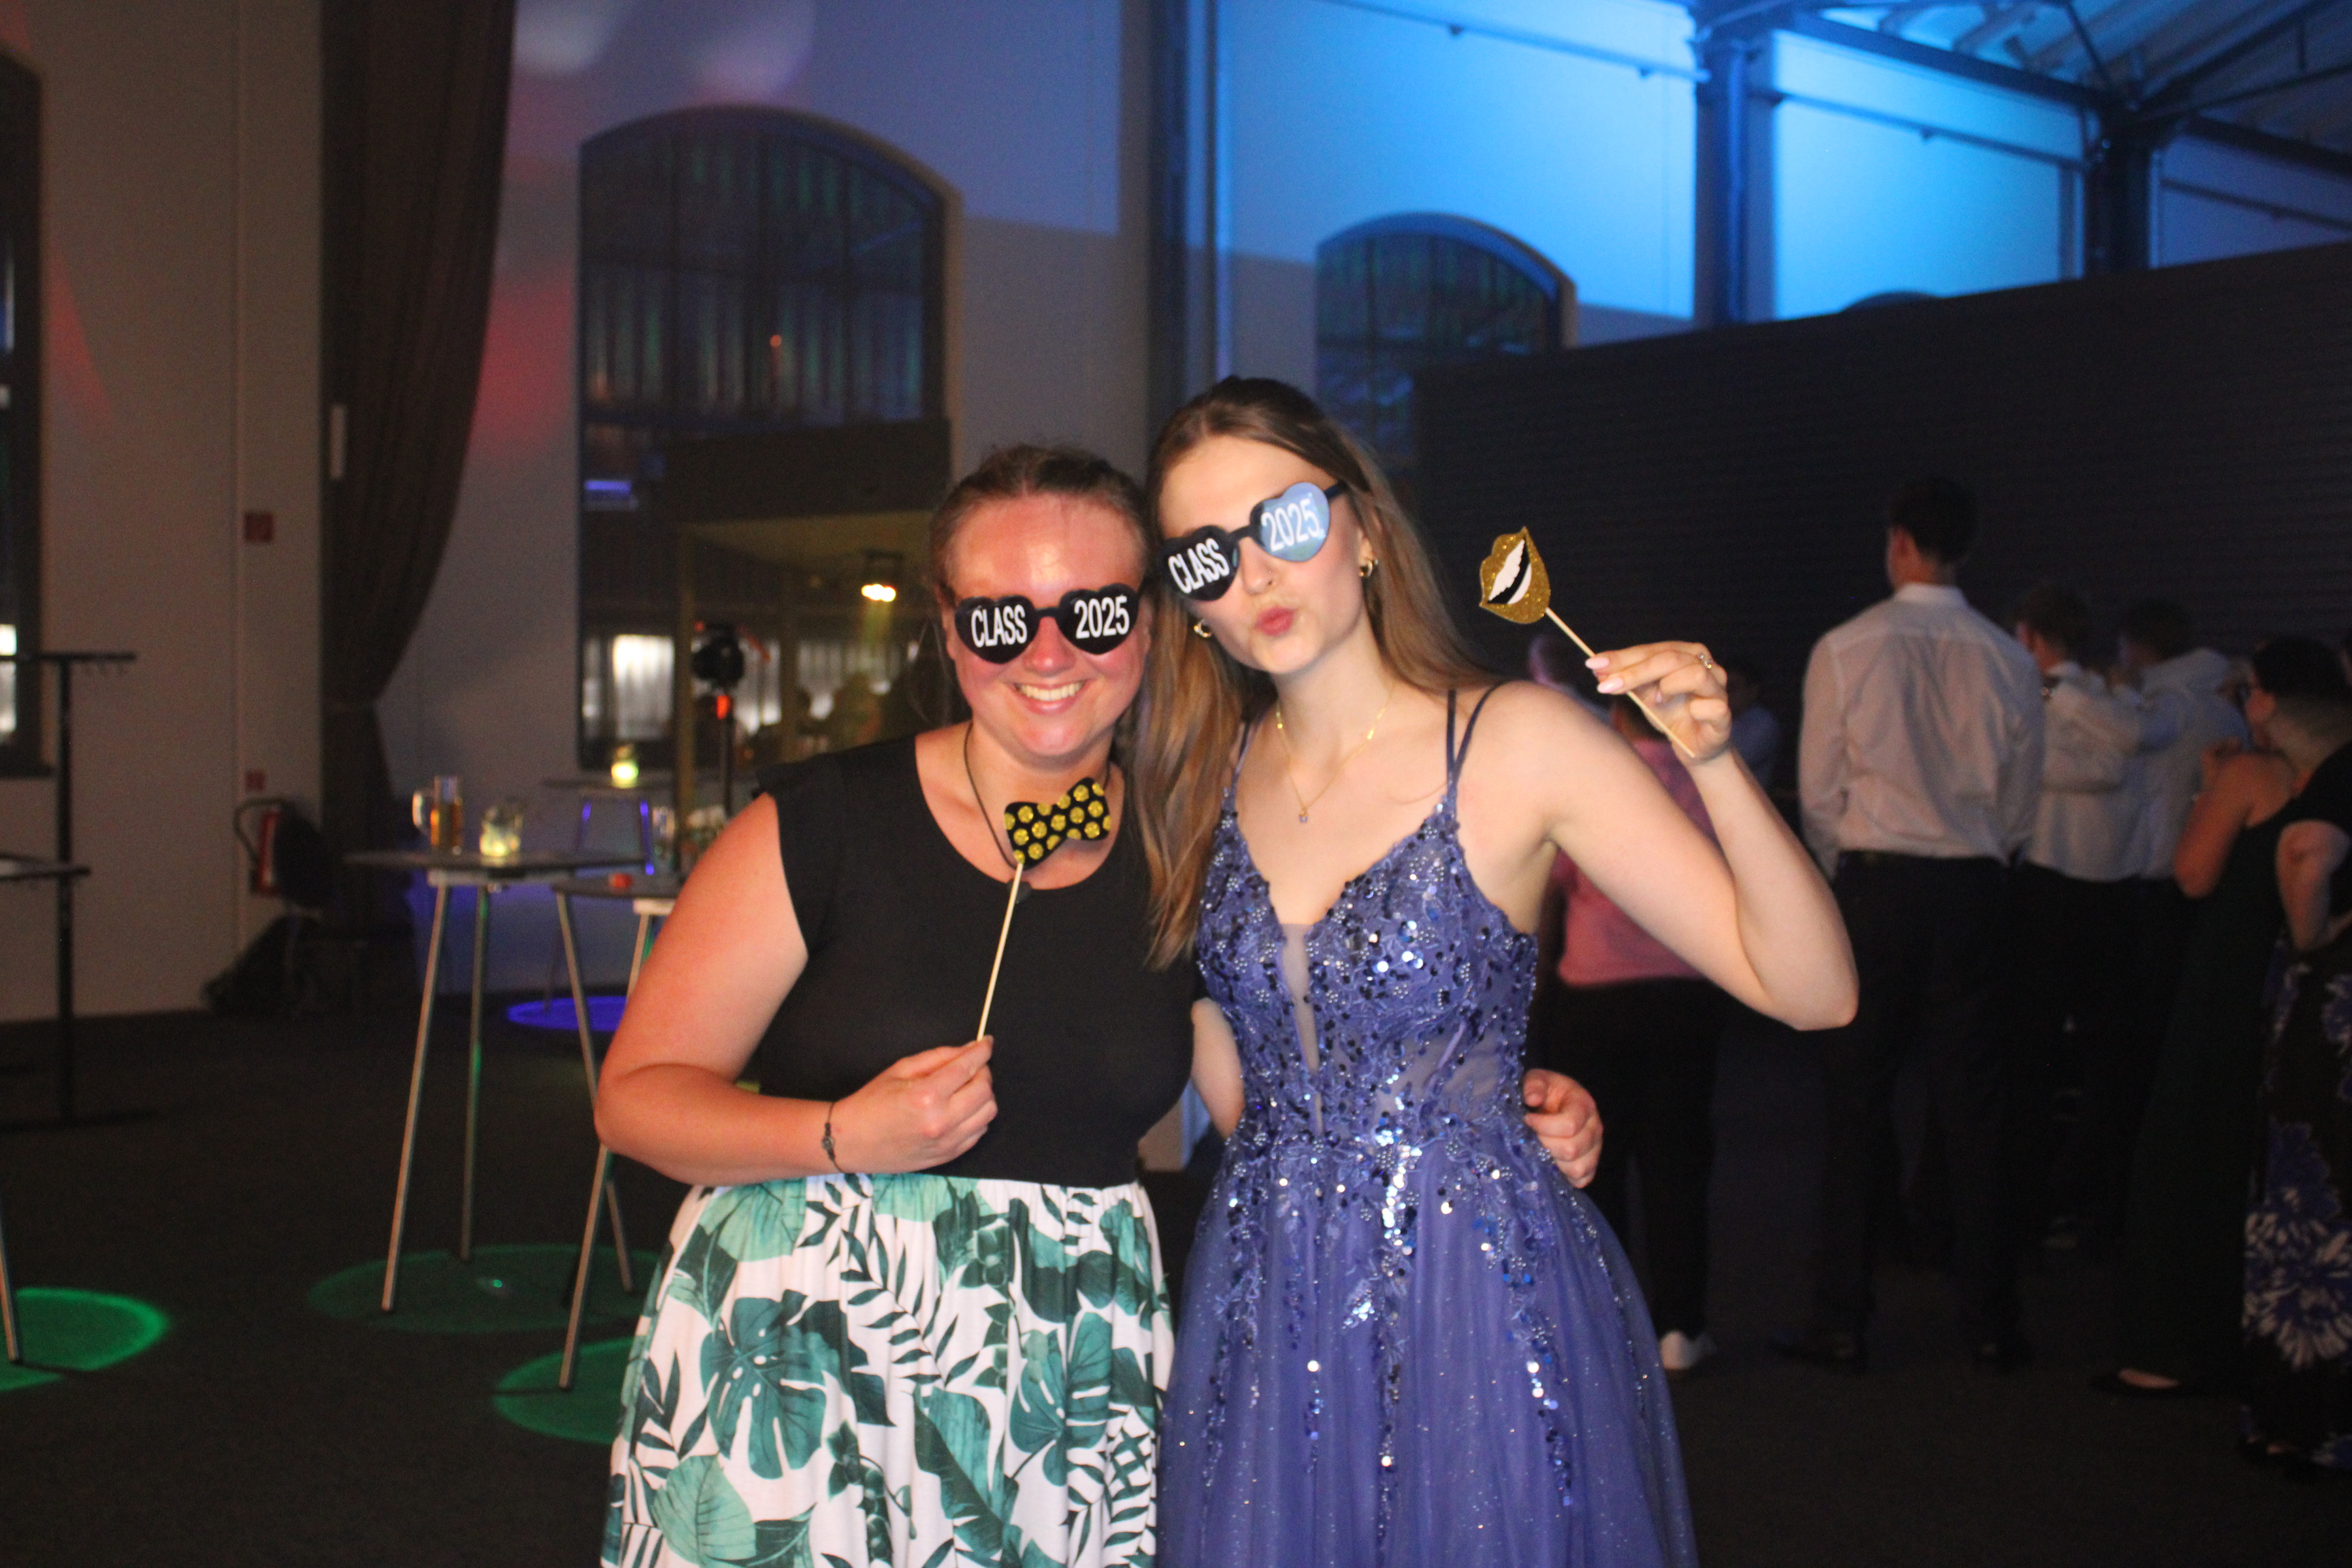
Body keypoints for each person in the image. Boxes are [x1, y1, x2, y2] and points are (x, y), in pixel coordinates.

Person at [1137, 378, 1855, 1565]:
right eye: (1206, 555)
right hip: (1269, 1295)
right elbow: (1236, 1062)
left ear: (1364, 530)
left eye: (1287, 522)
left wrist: (1715, 764)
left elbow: (1816, 991)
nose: (1254, 573)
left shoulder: (1516, 742)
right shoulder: (1201, 778)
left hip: (1473, 1291)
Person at [593, 446, 1203, 1568]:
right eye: (1001, 621)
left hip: (1066, 1382)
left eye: (1095, 612)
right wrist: (841, 1133)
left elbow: (1284, 1104)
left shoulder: (1186, 854)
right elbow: (633, 1101)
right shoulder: (823, 825)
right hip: (803, 1353)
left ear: (1150, 623)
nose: (1051, 653)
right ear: (950, 631)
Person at [1788, 477, 2044, 1373]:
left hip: (1877, 889)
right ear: (1962, 548)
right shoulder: (2008, 658)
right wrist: (1989, 856)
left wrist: (1844, 871)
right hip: (1972, 888)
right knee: (1975, 1111)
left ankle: (1840, 1319)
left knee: (1855, 1106)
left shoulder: (1847, 646)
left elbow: (1820, 791)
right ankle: (1991, 1321)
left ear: (1899, 541)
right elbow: (2021, 799)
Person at [2104, 638, 2348, 1399]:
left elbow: (2193, 873)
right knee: (2263, 1153)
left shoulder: (2252, 772)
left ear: (2272, 700)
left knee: (2190, 1144)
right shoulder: (2328, 779)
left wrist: (2210, 792)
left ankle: (2173, 1346)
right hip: (2294, 980)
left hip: (2229, 973)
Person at [1533, 694, 1727, 1379]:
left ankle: (1610, 1322)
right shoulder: (1706, 786)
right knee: (1679, 1161)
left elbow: (1552, 879)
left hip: (1594, 991)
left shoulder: (1595, 780)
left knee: (1593, 1161)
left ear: (1619, 718)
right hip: (1684, 990)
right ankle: (1681, 1325)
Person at [2006, 583, 2179, 1255]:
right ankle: (2094, 1203)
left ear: (2029, 637)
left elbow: (2058, 763)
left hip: (2054, 888)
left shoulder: (2052, 698)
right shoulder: (2114, 699)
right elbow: (2120, 755)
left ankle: (2036, 1208)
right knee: (2109, 1056)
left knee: (2038, 1055)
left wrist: (2062, 697)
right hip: (2114, 893)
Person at [2243, 656, 2352, 1475]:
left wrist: (2311, 939)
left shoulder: (2343, 771)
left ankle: (2306, 1418)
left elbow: (2307, 851)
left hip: (2336, 1013)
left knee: (2319, 1199)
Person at [1720, 652, 1782, 785]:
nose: (1726, 694)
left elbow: (1730, 764)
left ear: (1753, 691)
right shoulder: (1720, 719)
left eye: (1732, 688)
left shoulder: (1763, 724)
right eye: (1723, 688)